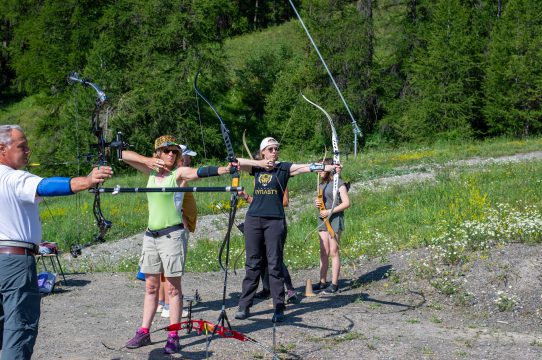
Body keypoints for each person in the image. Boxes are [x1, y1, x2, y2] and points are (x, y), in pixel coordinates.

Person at [120, 135, 253, 354]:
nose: (172, 154)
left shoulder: (178, 174)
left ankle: (173, 335)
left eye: (175, 152)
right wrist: (147, 160)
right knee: (151, 286)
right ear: (158, 154)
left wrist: (225, 170)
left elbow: (198, 172)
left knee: (173, 289)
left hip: (172, 235)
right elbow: (122, 155)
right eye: (167, 151)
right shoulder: (151, 172)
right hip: (150, 236)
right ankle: (144, 331)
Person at [0, 125, 113, 360]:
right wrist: (87, 180)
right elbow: (46, 186)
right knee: (19, 328)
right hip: (14, 263)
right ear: (2, 149)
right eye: (22, 146)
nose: (28, 151)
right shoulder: (13, 177)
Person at [234, 137, 341, 322]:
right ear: (263, 152)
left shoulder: (284, 167)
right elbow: (236, 162)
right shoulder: (257, 167)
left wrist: (330, 168)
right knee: (253, 263)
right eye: (270, 149)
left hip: (275, 221)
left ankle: (278, 306)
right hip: (253, 219)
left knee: (275, 264)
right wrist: (261, 163)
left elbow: (306, 167)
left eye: (276, 148)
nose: (274, 151)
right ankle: (244, 305)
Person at [238, 188, 298, 304]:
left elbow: (285, 202)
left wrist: (267, 205)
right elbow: (258, 203)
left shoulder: (278, 178)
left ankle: (290, 290)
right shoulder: (257, 181)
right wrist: (246, 197)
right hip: (259, 222)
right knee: (261, 257)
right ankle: (267, 289)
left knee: (275, 259)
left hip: (275, 222)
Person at [159, 144, 197, 319]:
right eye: (186, 157)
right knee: (171, 270)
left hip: (168, 225)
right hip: (175, 225)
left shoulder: (169, 174)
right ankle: (168, 305)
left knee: (164, 269)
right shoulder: (177, 175)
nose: (188, 159)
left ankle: (162, 303)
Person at [313, 158, 350, 294]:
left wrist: (330, 211)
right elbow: (321, 201)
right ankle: (322, 282)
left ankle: (334, 284)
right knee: (323, 251)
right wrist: (317, 204)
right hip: (322, 219)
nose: (319, 171)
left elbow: (346, 203)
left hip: (334, 219)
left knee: (334, 252)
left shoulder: (338, 183)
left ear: (329, 168)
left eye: (322, 168)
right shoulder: (321, 185)